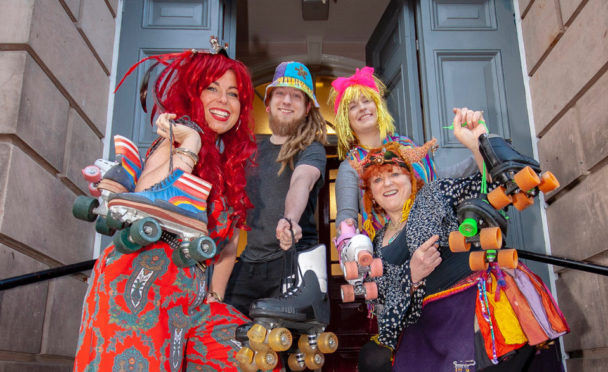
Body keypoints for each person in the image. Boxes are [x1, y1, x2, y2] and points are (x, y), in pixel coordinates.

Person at [74, 50, 260, 371]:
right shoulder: (178, 139)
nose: (224, 100)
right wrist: (189, 146)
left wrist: (214, 298)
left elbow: (228, 245)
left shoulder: (229, 169)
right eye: (212, 88)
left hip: (188, 301)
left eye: (233, 94)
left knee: (249, 356)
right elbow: (147, 197)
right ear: (193, 93)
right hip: (138, 284)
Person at [353, 109, 568, 371]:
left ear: (410, 179)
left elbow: (491, 188)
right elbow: (381, 303)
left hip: (474, 311)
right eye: (378, 179)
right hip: (428, 329)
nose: (388, 184)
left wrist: (476, 140)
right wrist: (412, 273)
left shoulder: (435, 193)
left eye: (395, 174)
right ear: (371, 194)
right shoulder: (375, 243)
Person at [224, 61, 328, 317]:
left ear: (306, 109)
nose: (287, 100)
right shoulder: (248, 149)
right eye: (280, 93)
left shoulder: (311, 149)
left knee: (285, 349)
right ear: (268, 104)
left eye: (296, 96)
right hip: (248, 264)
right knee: (226, 333)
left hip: (292, 261)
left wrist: (290, 220)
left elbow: (301, 181)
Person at [330, 66, 478, 240]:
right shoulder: (350, 166)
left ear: (377, 106)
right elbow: (346, 217)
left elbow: (435, 181)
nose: (362, 108)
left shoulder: (406, 144)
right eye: (353, 106)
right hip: (391, 252)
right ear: (346, 120)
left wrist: (480, 150)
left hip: (437, 238)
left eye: (367, 100)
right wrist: (348, 242)